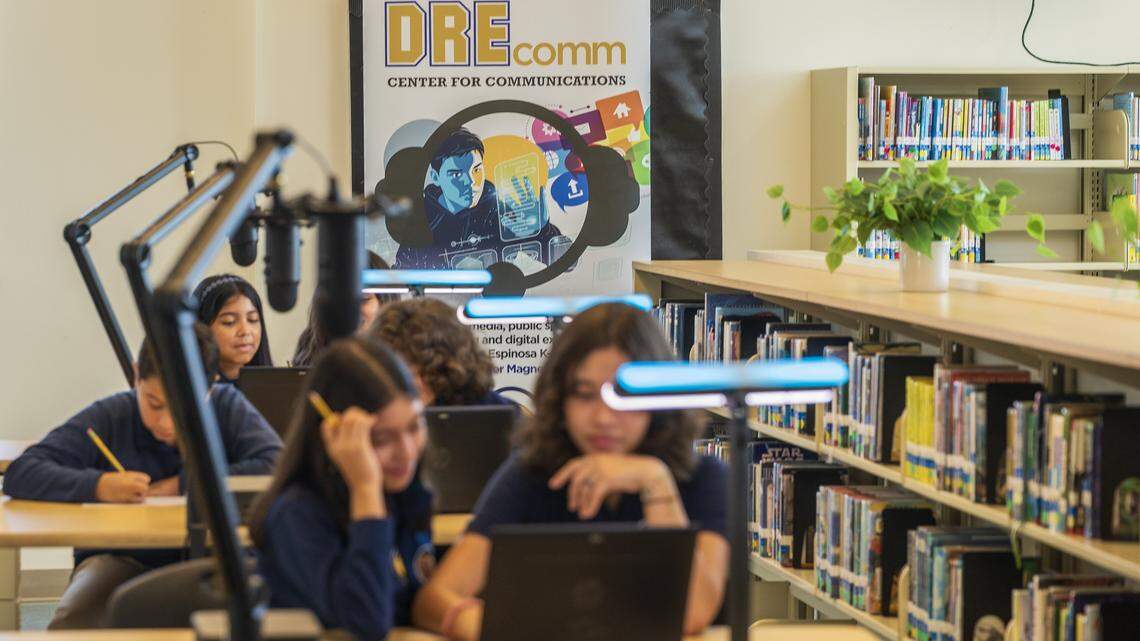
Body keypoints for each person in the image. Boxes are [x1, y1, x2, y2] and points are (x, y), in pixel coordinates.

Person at [412, 303, 729, 640]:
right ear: (559, 398)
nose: (604, 417)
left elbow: (693, 613)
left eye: (623, 395)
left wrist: (655, 482)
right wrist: (491, 626)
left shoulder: (704, 478)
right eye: (583, 394)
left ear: (657, 396)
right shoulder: (532, 476)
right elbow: (433, 600)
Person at [3, 324, 283, 629]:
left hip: (215, 556)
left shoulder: (227, 407)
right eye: (153, 403)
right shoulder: (113, 414)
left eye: (181, 409)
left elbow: (277, 465)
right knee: (74, 622)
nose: (165, 423)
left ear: (210, 388)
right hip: (121, 558)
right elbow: (23, 471)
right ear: (136, 376)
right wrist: (97, 485)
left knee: (273, 615)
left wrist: (182, 484)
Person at [251, 337, 433, 641]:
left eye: (414, 427)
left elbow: (414, 598)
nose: (407, 451)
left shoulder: (401, 490)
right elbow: (367, 623)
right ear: (336, 434)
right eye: (382, 438)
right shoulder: (296, 514)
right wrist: (365, 489)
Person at [393, 127, 565, 271]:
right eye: (456, 174)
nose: (471, 183)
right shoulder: (421, 221)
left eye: (476, 170)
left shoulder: (495, 211)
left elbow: (567, 262)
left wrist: (542, 231)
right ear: (435, 177)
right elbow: (402, 280)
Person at [368, 298, 509, 407]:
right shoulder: (374, 416)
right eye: (401, 373)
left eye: (428, 371)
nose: (415, 383)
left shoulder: (500, 413)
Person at [292, 252, 400, 367]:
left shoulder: (404, 364)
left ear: (386, 304)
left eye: (363, 300)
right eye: (340, 300)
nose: (350, 310)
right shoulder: (308, 353)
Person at [193, 274, 272, 384]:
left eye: (252, 319)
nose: (245, 331)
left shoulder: (276, 386)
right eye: (229, 322)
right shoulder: (185, 392)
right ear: (202, 327)